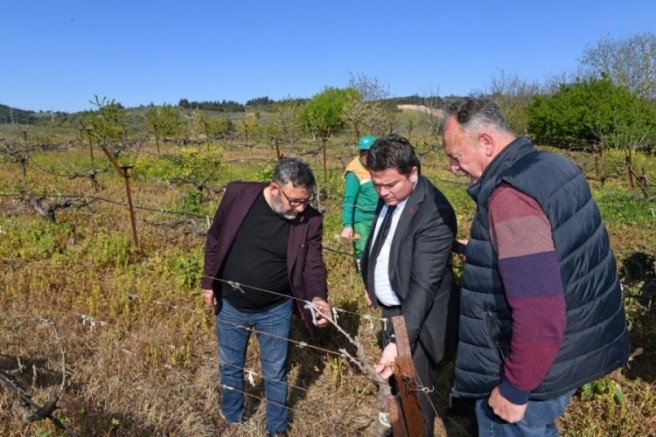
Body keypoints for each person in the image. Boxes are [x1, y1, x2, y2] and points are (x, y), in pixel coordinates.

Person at [442, 98, 631, 436]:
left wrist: (515, 388)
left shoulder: (510, 196)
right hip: (575, 349)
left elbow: (539, 310)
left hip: (534, 373)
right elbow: (560, 251)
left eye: (455, 156)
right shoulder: (552, 165)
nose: (453, 168)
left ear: (486, 142)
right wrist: (487, 252)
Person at [202, 157, 332, 437]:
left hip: (276, 309)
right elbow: (215, 238)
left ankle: (277, 428)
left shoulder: (310, 220)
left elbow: (313, 265)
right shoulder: (238, 195)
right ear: (275, 188)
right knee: (230, 366)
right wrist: (208, 282)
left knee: (275, 372)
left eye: (306, 201)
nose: (301, 209)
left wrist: (318, 298)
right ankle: (233, 417)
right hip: (231, 303)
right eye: (295, 201)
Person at [360, 134, 458, 437]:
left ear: (413, 173)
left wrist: (398, 343)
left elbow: (423, 286)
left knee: (415, 395)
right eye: (376, 184)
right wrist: (372, 283)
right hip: (393, 310)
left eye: (389, 184)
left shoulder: (434, 212)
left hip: (418, 317)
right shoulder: (392, 196)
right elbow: (383, 242)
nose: (382, 192)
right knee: (398, 387)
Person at [341, 134, 379, 271]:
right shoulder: (354, 172)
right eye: (363, 152)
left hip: (379, 215)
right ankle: (362, 275)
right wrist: (347, 225)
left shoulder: (380, 165)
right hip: (362, 218)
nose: (366, 156)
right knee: (362, 248)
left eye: (369, 152)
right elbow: (349, 199)